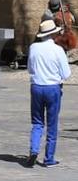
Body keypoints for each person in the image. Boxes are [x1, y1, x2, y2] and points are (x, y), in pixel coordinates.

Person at [26, 18, 70, 168]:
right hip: (52, 88)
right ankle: (49, 158)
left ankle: (33, 150)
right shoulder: (58, 50)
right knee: (52, 124)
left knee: (37, 122)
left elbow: (30, 69)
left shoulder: (33, 48)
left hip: (37, 87)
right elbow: (66, 73)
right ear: (53, 35)